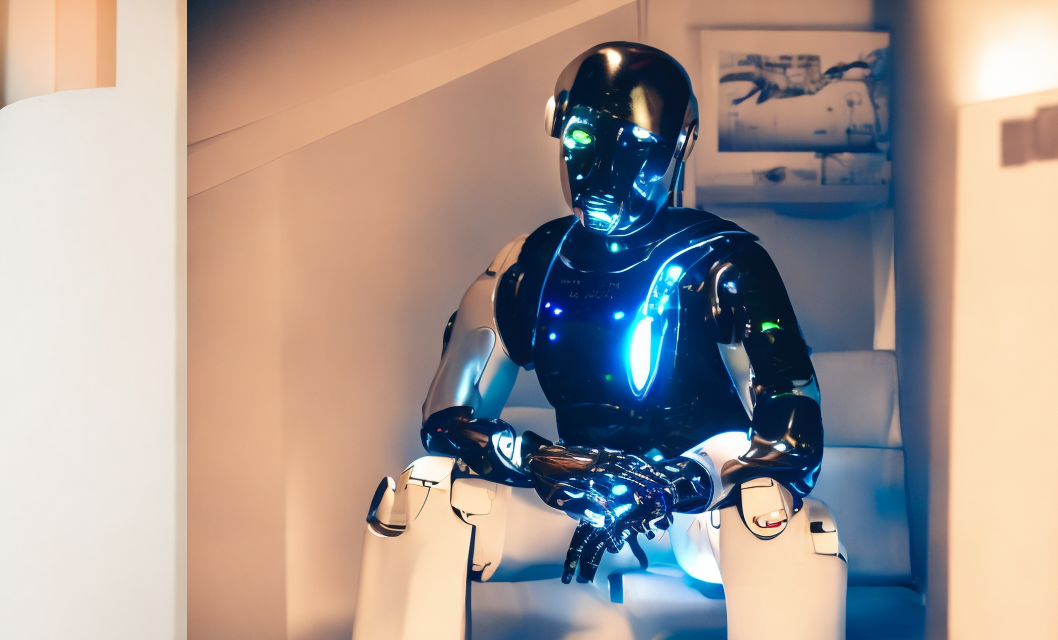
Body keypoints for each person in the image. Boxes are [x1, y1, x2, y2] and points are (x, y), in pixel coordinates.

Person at [348, 41, 847, 640]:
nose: (603, 168)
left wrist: (677, 482)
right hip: (576, 500)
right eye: (584, 137)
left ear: (677, 147)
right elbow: (446, 418)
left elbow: (792, 434)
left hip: (698, 515)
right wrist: (538, 460)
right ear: (558, 130)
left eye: (635, 144)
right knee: (421, 492)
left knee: (776, 514)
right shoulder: (528, 264)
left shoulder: (723, 262)